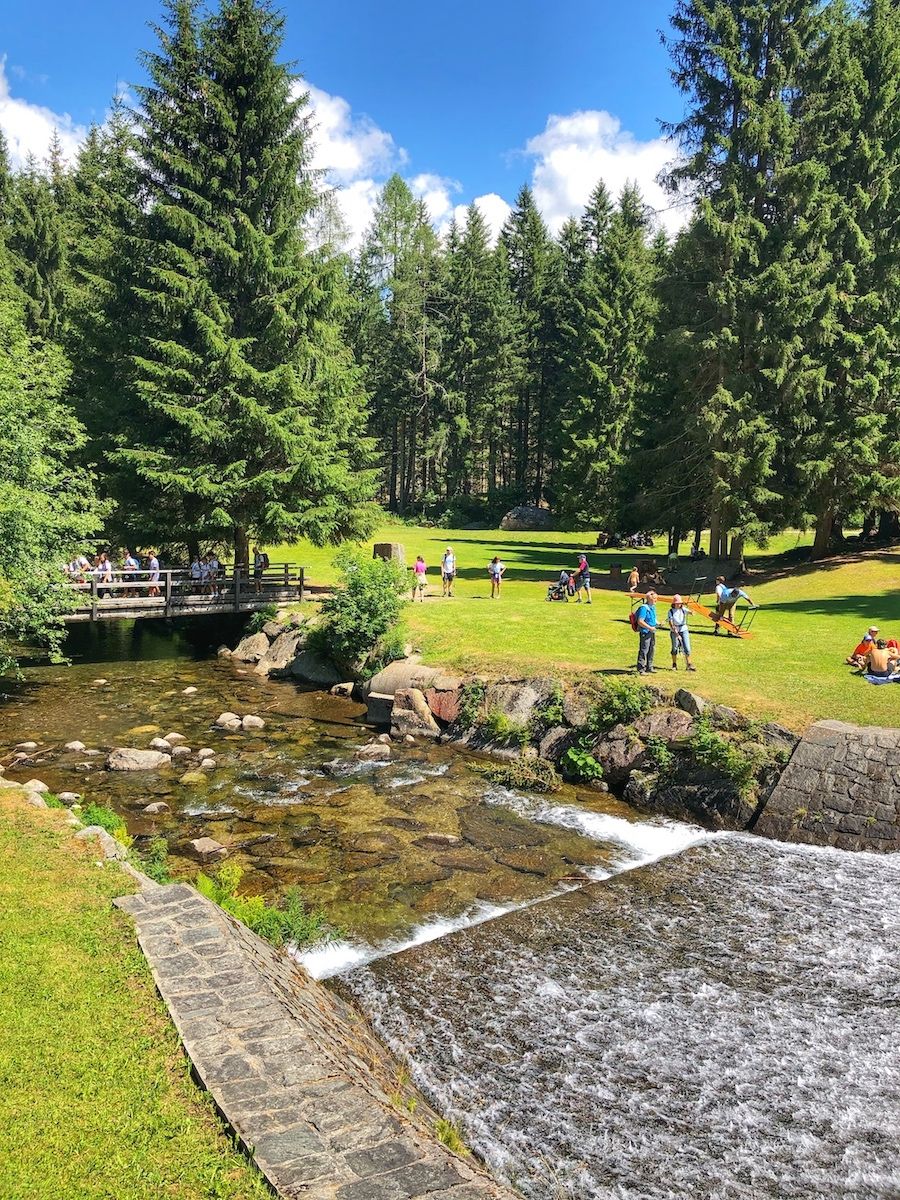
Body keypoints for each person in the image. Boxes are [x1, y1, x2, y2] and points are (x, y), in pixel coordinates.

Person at [667, 594, 696, 672]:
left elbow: (691, 612)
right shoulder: (670, 611)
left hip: (684, 629)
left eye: (680, 603)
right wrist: (677, 634)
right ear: (674, 603)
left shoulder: (683, 609)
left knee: (687, 647)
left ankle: (689, 664)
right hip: (674, 630)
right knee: (674, 648)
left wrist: (692, 611)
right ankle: (674, 664)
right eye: (677, 603)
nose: (679, 604)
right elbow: (671, 623)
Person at [635, 589, 658, 675]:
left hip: (651, 632)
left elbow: (653, 619)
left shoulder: (652, 608)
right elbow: (640, 621)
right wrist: (649, 628)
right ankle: (641, 668)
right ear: (650, 599)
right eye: (655, 598)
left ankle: (649, 666)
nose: (656, 600)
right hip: (645, 632)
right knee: (644, 649)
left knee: (651, 649)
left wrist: (658, 623)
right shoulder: (644, 608)